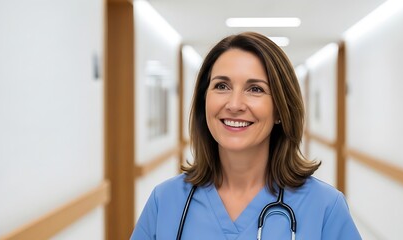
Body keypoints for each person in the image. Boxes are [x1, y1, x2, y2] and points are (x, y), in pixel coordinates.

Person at [130, 32, 361, 240]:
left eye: (255, 89)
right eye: (222, 86)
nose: (234, 104)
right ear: (204, 100)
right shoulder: (166, 201)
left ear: (280, 109)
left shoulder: (324, 207)